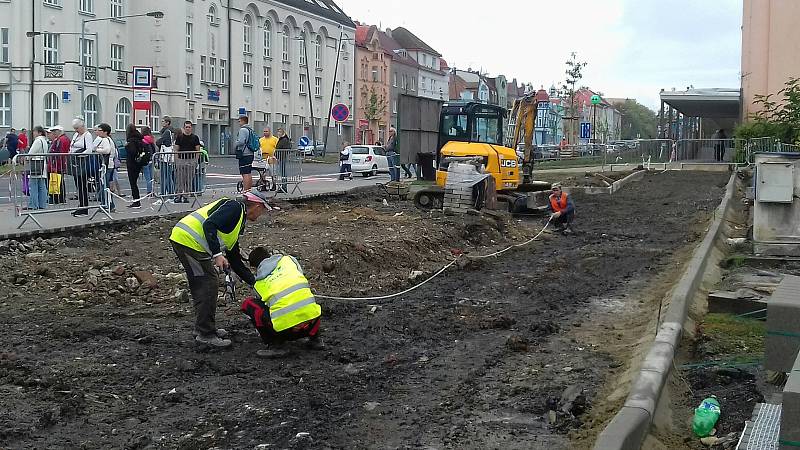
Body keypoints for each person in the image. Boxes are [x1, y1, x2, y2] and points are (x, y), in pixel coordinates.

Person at [169, 191, 272, 347]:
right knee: (208, 284)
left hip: (185, 241)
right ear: (257, 206)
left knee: (202, 284)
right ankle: (205, 333)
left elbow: (235, 260)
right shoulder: (235, 208)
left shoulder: (237, 221)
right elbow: (209, 224)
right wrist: (217, 255)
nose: (261, 214)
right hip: (187, 242)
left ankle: (203, 329)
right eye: (262, 209)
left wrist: (254, 282)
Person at [242, 246, 324, 357]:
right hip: (311, 324)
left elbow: (265, 303)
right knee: (303, 297)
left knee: (249, 304)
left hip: (286, 332)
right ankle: (315, 339)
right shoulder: (289, 260)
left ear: (255, 266)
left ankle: (275, 345)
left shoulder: (259, 283)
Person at [69, 118, 97, 216]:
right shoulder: (76, 135)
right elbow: (71, 146)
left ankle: (84, 207)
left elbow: (89, 150)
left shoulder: (87, 135)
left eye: (77, 128)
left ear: (82, 126)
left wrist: (79, 155)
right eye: (74, 128)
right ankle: (81, 205)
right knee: (78, 185)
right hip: (75, 162)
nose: (76, 130)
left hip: (83, 162)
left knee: (82, 186)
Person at [173, 120, 201, 203]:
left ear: (191, 128)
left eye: (189, 127)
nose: (188, 129)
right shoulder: (180, 137)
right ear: (184, 128)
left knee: (188, 179)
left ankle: (186, 196)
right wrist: (176, 160)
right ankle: (178, 196)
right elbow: (176, 149)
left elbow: (197, 149)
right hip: (181, 160)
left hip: (191, 160)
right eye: (186, 127)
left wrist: (196, 161)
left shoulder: (195, 137)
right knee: (180, 179)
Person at [94, 123, 118, 212]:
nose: (97, 132)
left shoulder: (105, 140)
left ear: (105, 132)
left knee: (104, 185)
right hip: (109, 165)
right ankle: (106, 204)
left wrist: (97, 150)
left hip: (107, 165)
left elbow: (107, 150)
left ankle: (109, 205)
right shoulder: (108, 139)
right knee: (105, 185)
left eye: (100, 130)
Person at [25, 126, 49, 210]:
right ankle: (42, 204)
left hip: (36, 164)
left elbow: (31, 153)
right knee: (42, 186)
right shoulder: (44, 141)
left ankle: (33, 204)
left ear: (39, 132)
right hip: (42, 165)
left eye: (35, 132)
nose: (33, 133)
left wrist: (26, 158)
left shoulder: (37, 141)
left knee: (33, 186)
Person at [47, 126, 70, 204]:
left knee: (56, 181)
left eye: (55, 131)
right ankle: (60, 198)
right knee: (58, 181)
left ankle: (57, 198)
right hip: (59, 163)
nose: (53, 133)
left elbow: (59, 152)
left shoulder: (60, 140)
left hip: (57, 163)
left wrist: (55, 164)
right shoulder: (63, 139)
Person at [125, 124, 146, 209]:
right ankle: (136, 201)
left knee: (133, 183)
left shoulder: (131, 140)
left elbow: (132, 152)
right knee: (134, 183)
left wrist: (127, 147)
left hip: (132, 163)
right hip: (139, 163)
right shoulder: (140, 138)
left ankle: (136, 201)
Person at [235, 116, 256, 192]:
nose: (239, 123)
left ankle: (246, 190)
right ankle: (249, 190)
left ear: (243, 121)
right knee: (248, 172)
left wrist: (235, 143)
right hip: (250, 153)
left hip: (244, 153)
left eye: (239, 121)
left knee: (244, 173)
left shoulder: (243, 130)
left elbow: (241, 141)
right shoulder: (250, 129)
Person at [156, 116, 175, 197]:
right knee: (167, 174)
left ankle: (167, 192)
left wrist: (158, 141)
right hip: (167, 156)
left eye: (163, 121)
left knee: (166, 175)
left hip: (166, 156)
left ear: (167, 122)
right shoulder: (169, 131)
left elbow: (159, 142)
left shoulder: (167, 132)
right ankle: (167, 191)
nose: (162, 122)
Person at [141, 127, 156, 196]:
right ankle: (152, 191)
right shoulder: (151, 139)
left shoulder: (143, 140)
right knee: (151, 177)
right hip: (151, 160)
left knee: (147, 178)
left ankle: (149, 192)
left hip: (145, 161)